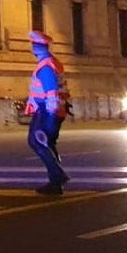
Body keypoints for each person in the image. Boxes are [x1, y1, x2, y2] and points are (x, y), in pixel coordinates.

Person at [25, 30, 71, 195]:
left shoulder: (45, 66)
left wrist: (50, 115)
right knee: (47, 143)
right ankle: (56, 182)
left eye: (33, 45)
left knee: (37, 142)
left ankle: (58, 176)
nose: (32, 47)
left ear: (38, 47)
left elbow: (51, 92)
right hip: (53, 110)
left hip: (47, 111)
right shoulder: (52, 62)